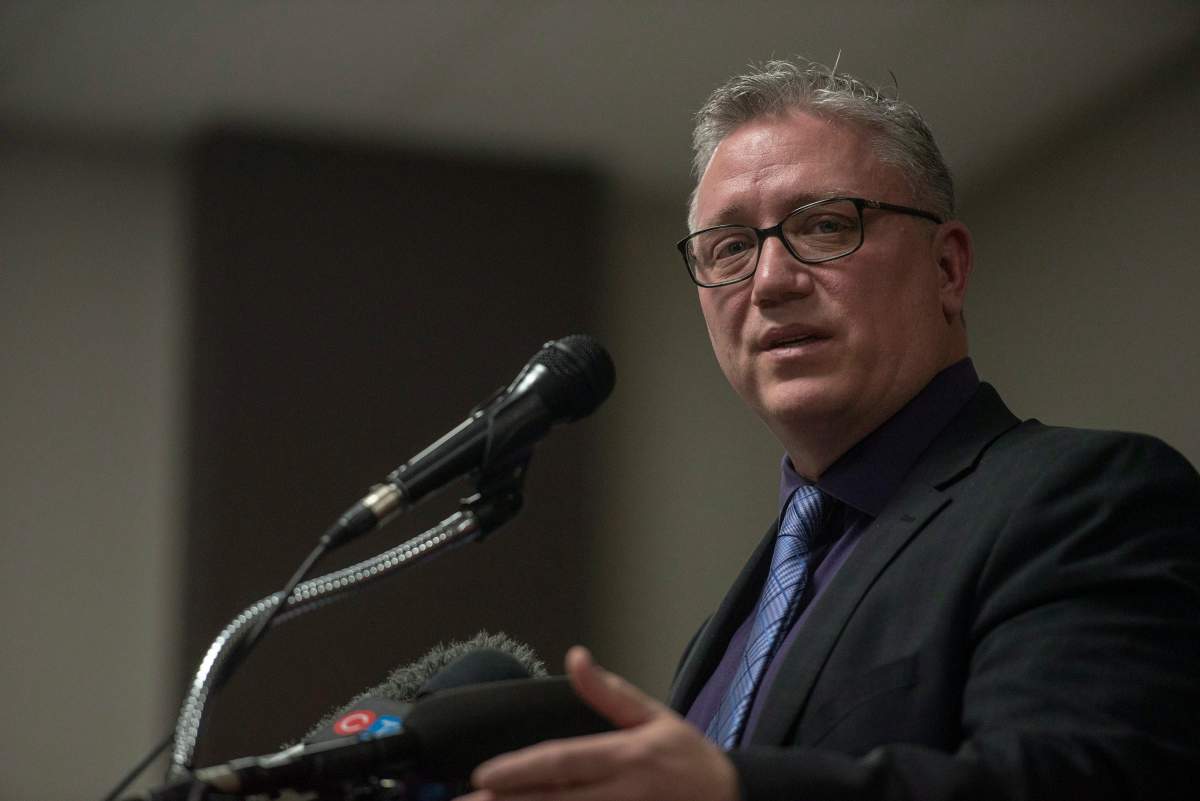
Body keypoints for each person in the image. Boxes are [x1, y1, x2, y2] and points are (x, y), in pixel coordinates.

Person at [456, 59, 1200, 801]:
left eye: (823, 225)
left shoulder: (1090, 498)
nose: (771, 280)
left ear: (947, 268)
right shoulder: (735, 618)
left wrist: (730, 792)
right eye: (730, 247)